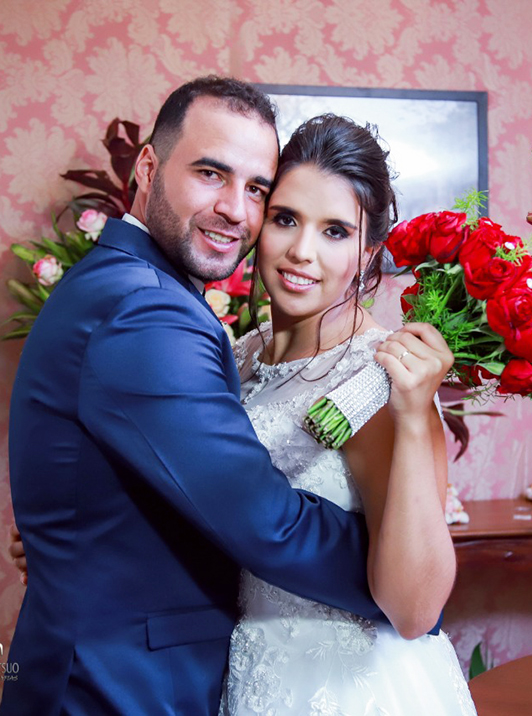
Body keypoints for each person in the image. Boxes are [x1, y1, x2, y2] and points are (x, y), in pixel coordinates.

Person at [2, 78, 415, 716]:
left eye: (256, 190)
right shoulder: (147, 307)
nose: (235, 210)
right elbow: (263, 520)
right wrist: (403, 577)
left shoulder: (134, 287)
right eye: (210, 173)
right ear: (148, 167)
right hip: (116, 685)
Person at [217, 115, 477, 714]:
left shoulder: (382, 378)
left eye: (335, 231)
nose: (301, 252)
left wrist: (413, 417)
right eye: (286, 219)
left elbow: (415, 610)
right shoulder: (244, 352)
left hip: (350, 686)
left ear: (368, 253)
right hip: (252, 671)